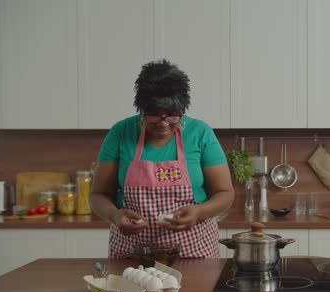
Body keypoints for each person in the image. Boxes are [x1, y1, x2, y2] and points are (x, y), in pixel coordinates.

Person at [91, 59, 234, 259]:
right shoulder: (120, 133)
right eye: (154, 115)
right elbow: (98, 195)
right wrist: (115, 215)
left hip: (193, 253)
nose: (163, 124)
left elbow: (225, 193)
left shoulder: (200, 133)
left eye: (173, 115)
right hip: (133, 255)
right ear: (141, 109)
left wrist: (199, 212)